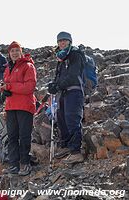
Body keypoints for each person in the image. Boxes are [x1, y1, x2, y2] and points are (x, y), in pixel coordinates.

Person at [0, 41, 36, 176]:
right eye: (11, 51)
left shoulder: (28, 66)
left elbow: (29, 88)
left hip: (25, 106)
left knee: (24, 135)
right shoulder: (8, 68)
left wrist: (9, 87)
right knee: (12, 136)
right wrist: (5, 91)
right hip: (11, 106)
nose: (14, 53)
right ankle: (13, 165)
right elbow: (9, 86)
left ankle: (25, 164)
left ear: (21, 52)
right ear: (9, 54)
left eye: (16, 50)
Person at [47, 31, 85, 164]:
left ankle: (76, 152)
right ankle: (67, 146)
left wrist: (58, 86)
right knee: (61, 119)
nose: (62, 43)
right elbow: (60, 75)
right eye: (60, 41)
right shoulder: (61, 57)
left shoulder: (75, 54)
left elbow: (73, 75)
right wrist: (54, 85)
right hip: (63, 93)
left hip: (74, 92)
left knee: (72, 119)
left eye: (65, 40)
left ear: (70, 41)